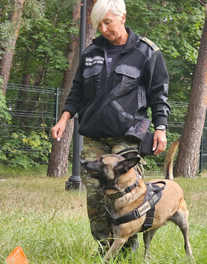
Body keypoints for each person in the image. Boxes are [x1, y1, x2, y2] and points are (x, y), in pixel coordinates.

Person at [51, 0, 170, 255]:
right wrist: (64, 119)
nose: (103, 29)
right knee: (95, 193)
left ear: (123, 17)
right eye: (98, 24)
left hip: (128, 132)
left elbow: (159, 94)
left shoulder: (146, 52)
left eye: (108, 22)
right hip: (94, 132)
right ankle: (106, 248)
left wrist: (160, 127)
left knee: (126, 190)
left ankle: (127, 246)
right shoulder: (91, 53)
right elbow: (77, 91)